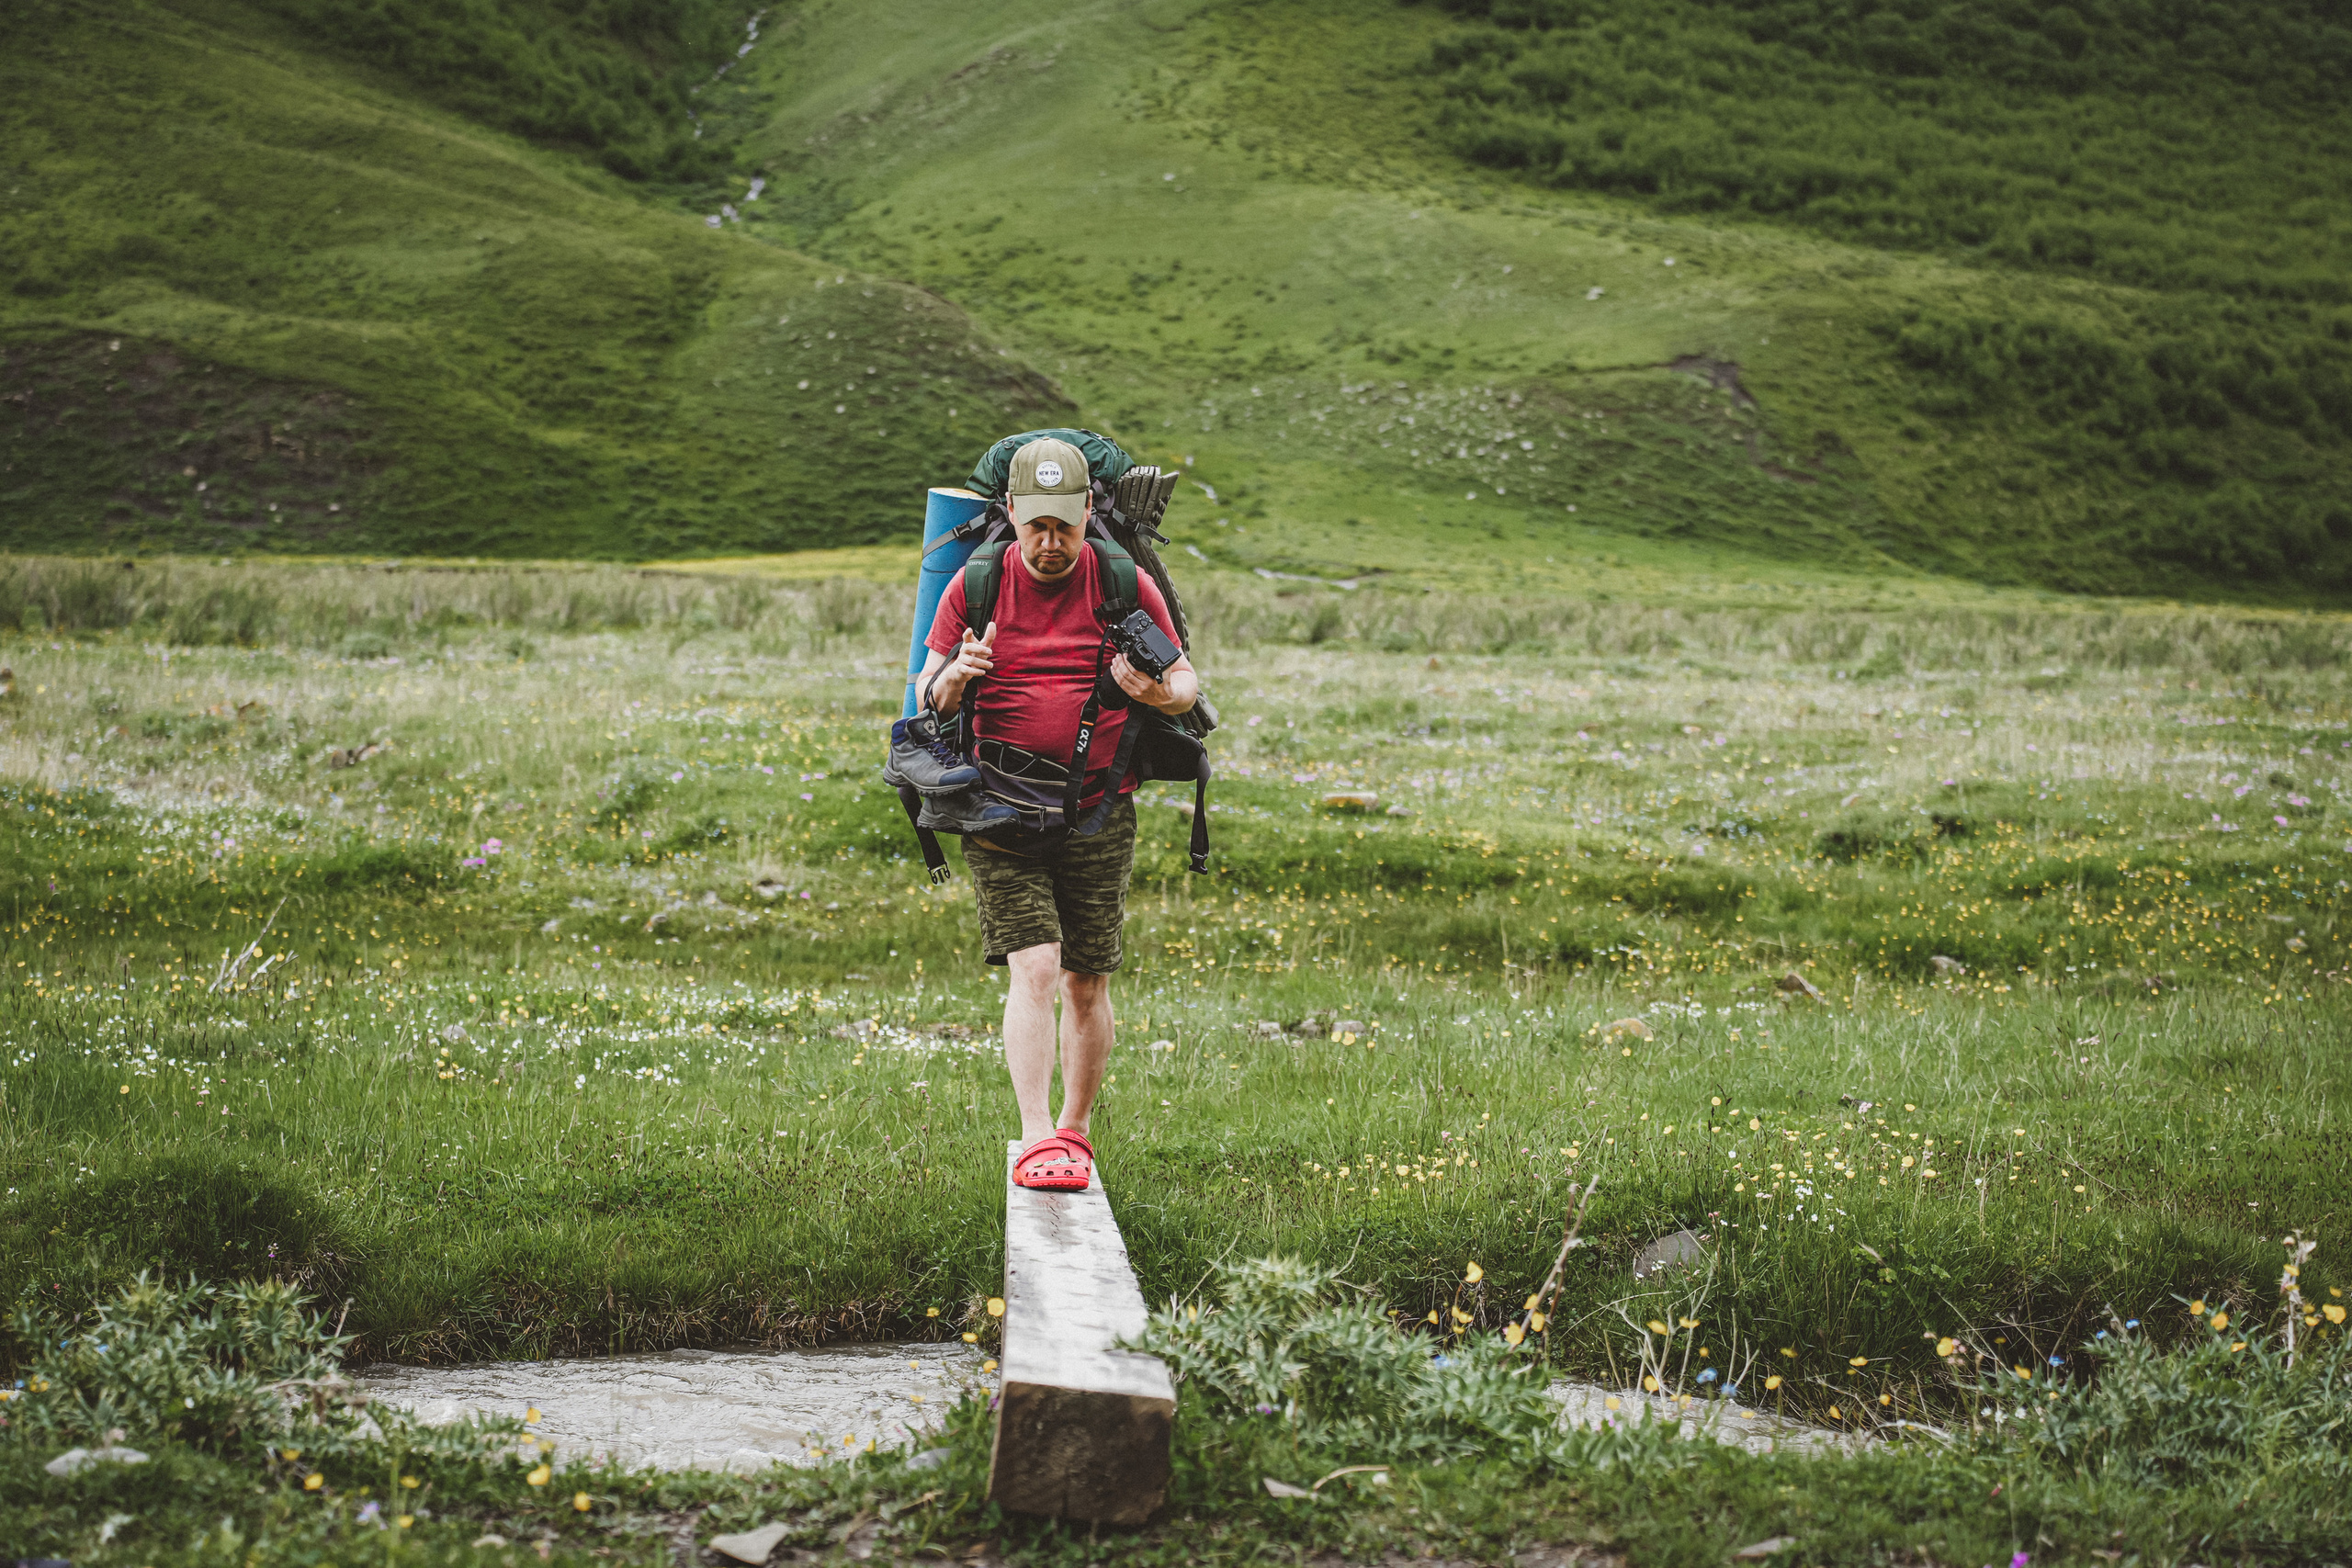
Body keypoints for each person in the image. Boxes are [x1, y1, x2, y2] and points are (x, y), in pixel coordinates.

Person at [911, 437, 1198, 1191]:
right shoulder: (975, 584)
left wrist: (1149, 691)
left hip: (1101, 807)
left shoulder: (1120, 579)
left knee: (1086, 980)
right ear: (1011, 513)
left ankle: (1076, 1128)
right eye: (1034, 525)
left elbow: (1187, 684)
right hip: (997, 806)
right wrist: (952, 679)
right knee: (1034, 966)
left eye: (1063, 526)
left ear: (1084, 516)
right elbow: (925, 693)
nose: (1048, 542)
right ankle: (1037, 1137)